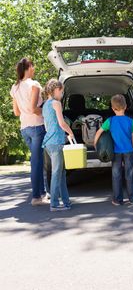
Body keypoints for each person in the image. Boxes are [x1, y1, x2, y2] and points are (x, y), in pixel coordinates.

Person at [10, 58, 47, 206]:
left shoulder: (15, 87)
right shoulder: (34, 84)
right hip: (37, 126)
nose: (35, 68)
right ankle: (36, 197)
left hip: (24, 128)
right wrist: (47, 111)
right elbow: (34, 109)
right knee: (37, 162)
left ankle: (43, 193)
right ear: (29, 67)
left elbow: (16, 112)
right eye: (33, 65)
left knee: (37, 161)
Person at [94, 94, 133, 206]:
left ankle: (117, 200)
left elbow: (99, 132)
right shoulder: (130, 121)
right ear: (126, 107)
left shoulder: (110, 121)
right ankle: (132, 198)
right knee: (129, 174)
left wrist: (96, 144)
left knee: (116, 175)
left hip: (116, 152)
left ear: (113, 108)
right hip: (128, 151)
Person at [42, 79, 74, 212]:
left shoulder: (45, 105)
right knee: (57, 173)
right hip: (55, 143)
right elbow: (61, 123)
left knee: (61, 172)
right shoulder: (56, 103)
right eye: (61, 92)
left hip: (49, 142)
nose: (62, 94)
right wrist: (70, 133)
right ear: (55, 90)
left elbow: (47, 126)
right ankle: (54, 204)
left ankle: (66, 201)